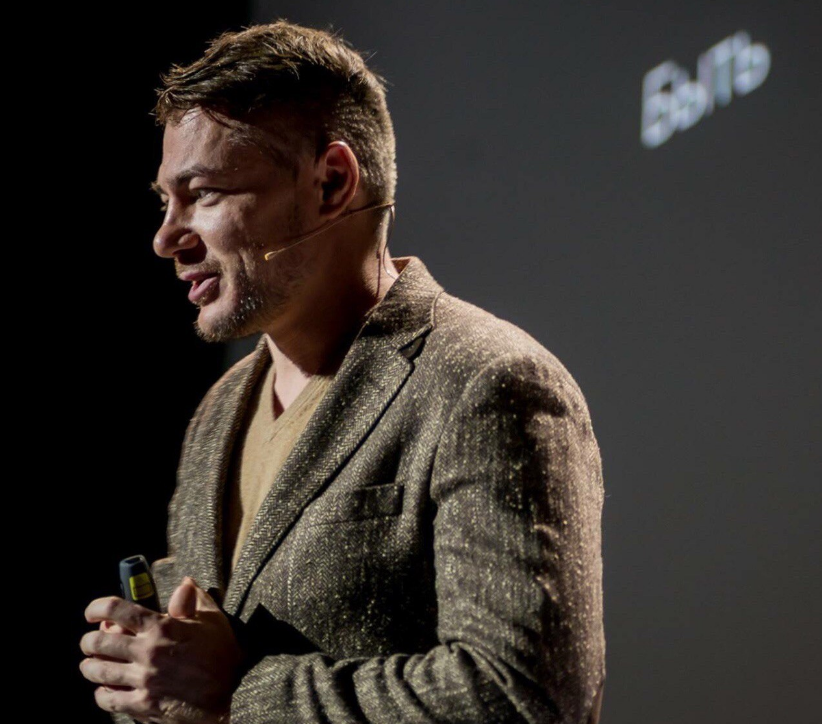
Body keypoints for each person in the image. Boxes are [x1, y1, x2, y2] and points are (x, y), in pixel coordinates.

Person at [79, 20, 606, 724]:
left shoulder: (487, 382)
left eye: (202, 194)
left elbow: (522, 697)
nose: (166, 237)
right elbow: (192, 679)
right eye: (164, 201)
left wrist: (238, 693)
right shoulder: (219, 410)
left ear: (331, 182)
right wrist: (151, 681)